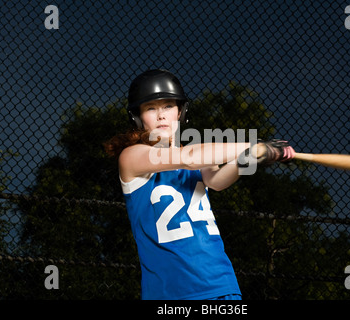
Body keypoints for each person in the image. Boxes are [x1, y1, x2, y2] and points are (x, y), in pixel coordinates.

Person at [104, 69, 295, 300]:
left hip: (220, 283)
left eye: (168, 106)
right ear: (138, 117)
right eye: (151, 108)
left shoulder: (196, 157)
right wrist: (253, 145)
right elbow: (189, 156)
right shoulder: (132, 157)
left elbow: (216, 181)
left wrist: (250, 158)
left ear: (180, 112)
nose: (161, 115)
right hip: (173, 292)